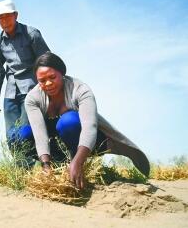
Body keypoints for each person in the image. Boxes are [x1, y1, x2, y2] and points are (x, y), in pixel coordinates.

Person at [24, 51, 150, 189]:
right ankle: (60, 164)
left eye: (52, 77)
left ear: (62, 73)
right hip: (56, 142)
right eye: (42, 81)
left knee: (68, 122)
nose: (48, 83)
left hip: (90, 140)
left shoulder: (80, 89)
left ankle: (75, 164)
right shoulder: (32, 98)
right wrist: (46, 165)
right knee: (20, 135)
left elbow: (90, 127)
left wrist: (77, 163)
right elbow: (39, 133)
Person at [0, 0, 50, 155]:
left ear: (15, 15)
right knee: (11, 136)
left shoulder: (31, 34)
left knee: (24, 131)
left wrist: (47, 87)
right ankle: (20, 172)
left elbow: (46, 61)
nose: (4, 21)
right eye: (0, 17)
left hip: (32, 88)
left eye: (7, 16)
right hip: (10, 92)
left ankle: (32, 166)